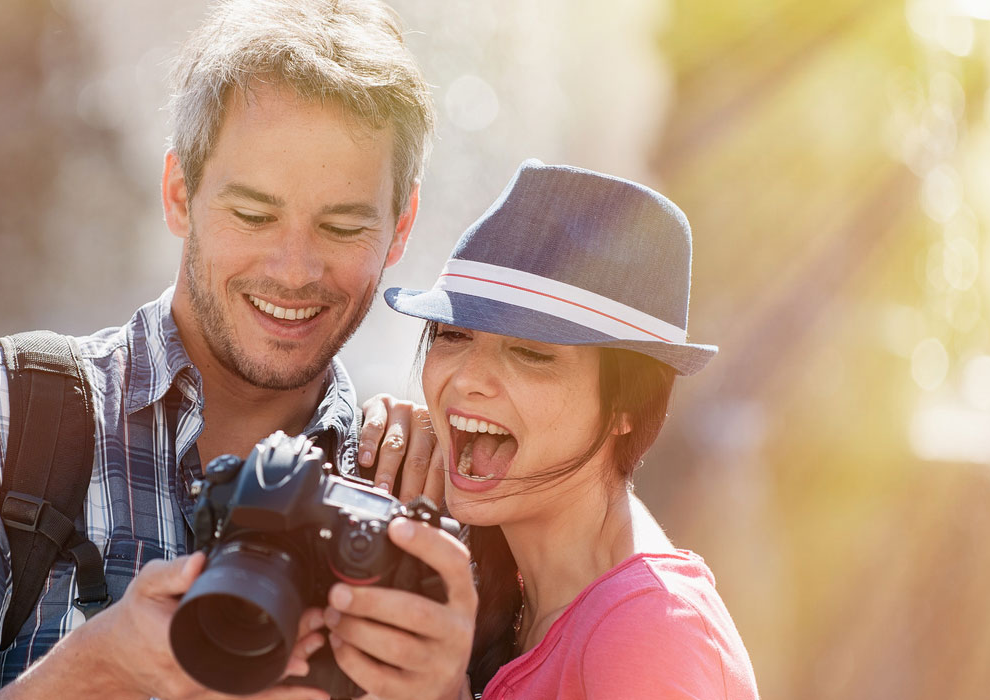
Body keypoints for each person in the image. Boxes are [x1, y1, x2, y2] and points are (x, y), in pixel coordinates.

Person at [0, 1, 448, 698]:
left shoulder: (410, 490)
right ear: (179, 194)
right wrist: (94, 672)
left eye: (342, 226)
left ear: (402, 224)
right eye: (254, 215)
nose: (295, 270)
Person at [320, 160, 760, 699]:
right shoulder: (496, 578)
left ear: (628, 405)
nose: (467, 381)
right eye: (454, 335)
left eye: (530, 353)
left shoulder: (655, 632)